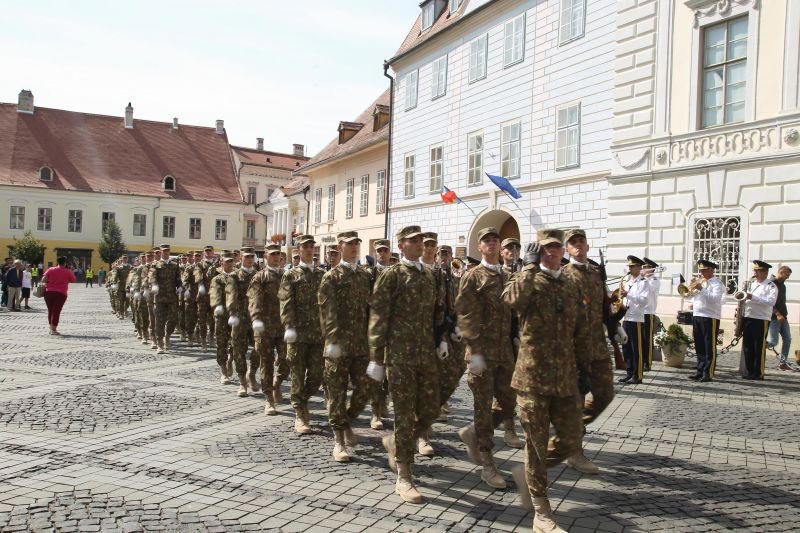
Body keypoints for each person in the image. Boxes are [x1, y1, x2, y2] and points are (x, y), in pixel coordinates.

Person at [502, 229, 588, 533]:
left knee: (572, 435)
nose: (552, 253)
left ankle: (526, 474)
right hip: (533, 377)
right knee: (536, 444)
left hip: (564, 376)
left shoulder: (569, 281)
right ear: (538, 251)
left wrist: (585, 365)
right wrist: (525, 267)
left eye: (555, 248)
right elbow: (511, 300)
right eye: (546, 248)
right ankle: (541, 509)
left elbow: (579, 324)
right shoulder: (529, 279)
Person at [369, 225, 442, 504]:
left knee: (430, 409)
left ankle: (395, 442)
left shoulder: (428, 275)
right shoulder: (392, 275)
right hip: (399, 356)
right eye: (413, 241)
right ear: (401, 245)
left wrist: (441, 340)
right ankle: (404, 475)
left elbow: (435, 312)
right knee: (404, 412)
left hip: (425, 353)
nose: (419, 244)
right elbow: (378, 316)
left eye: (421, 240)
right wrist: (377, 357)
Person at [455, 227, 517, 489]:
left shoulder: (507, 275)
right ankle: (487, 463)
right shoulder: (472, 276)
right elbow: (465, 315)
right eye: (486, 241)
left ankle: (472, 432)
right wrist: (474, 352)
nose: (491, 244)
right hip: (482, 354)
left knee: (510, 402)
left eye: (495, 240)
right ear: (479, 247)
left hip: (504, 352)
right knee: (482, 407)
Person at [547, 228, 610, 473]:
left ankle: (565, 433)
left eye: (581, 241)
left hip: (598, 344)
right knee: (577, 399)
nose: (578, 245)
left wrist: (613, 324)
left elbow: (603, 303)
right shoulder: (563, 275)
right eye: (573, 243)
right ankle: (574, 451)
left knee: (604, 394)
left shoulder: (596, 272)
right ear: (566, 249)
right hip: (574, 348)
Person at [318, 231, 374, 462]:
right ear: (340, 247)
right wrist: (331, 340)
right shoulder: (332, 277)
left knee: (366, 388)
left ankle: (346, 421)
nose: (354, 248)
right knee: (337, 392)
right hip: (339, 346)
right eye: (350, 244)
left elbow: (372, 309)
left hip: (361, 344)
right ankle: (339, 440)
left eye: (356, 244)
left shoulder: (364, 275)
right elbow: (326, 310)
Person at [279, 234, 325, 434]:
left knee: (316, 375)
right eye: (305, 247)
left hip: (317, 334)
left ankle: (301, 401)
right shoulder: (290, 275)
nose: (309, 249)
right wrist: (288, 326)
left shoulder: (322, 274)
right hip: (297, 334)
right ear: (298, 250)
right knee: (297, 375)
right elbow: (285, 302)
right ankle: (300, 414)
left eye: (311, 247)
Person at [249, 244, 289, 415]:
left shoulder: (287, 276)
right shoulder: (260, 277)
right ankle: (269, 399)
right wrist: (256, 318)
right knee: (266, 363)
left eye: (278, 254)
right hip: (264, 327)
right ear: (266, 256)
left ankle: (277, 383)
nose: (275, 257)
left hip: (283, 326)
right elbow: (254, 298)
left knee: (287, 360)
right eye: (272, 254)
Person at [689, 260, 727, 382]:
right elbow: (693, 297)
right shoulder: (702, 282)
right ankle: (699, 371)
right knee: (699, 345)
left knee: (708, 346)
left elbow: (715, 299)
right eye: (701, 270)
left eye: (704, 270)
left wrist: (701, 289)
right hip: (697, 315)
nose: (701, 272)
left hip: (710, 317)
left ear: (711, 270)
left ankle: (708, 372)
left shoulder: (717, 284)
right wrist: (692, 290)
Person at [741, 260, 779, 380]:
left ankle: (758, 372)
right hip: (748, 316)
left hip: (761, 319)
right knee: (747, 346)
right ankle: (749, 371)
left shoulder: (771, 286)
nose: (755, 273)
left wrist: (752, 297)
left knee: (758, 346)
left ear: (765, 272)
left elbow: (770, 302)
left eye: (758, 271)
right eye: (755, 271)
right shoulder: (752, 284)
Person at [620, 255, 648, 384]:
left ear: (638, 267)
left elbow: (644, 301)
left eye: (632, 267)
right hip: (626, 316)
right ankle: (629, 372)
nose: (630, 269)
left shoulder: (643, 282)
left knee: (636, 348)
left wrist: (628, 295)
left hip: (636, 318)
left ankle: (638, 375)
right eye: (629, 267)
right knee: (626, 347)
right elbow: (625, 298)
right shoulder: (628, 282)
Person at [210, 253, 237, 383]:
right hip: (221, 315)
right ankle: (223, 372)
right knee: (221, 342)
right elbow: (214, 293)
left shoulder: (237, 276)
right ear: (221, 262)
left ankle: (230, 360)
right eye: (227, 261)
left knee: (235, 341)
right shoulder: (217, 279)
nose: (230, 264)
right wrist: (217, 306)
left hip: (235, 314)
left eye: (231, 261)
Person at [767, 266, 793, 371]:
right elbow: (769, 302)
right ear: (781, 272)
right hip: (774, 317)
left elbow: (782, 302)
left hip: (783, 317)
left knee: (787, 339)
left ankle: (783, 363)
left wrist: (783, 315)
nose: (788, 277)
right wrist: (777, 314)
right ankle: (755, 347)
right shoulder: (771, 283)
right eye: (787, 275)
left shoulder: (783, 285)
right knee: (773, 342)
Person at [42, 257, 77, 335]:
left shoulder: (51, 269)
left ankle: (51, 327)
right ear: (65, 263)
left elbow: (43, 280)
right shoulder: (67, 271)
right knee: (56, 311)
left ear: (57, 262)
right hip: (61, 293)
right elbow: (73, 280)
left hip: (49, 292)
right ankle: (53, 330)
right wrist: (72, 272)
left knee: (50, 310)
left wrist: (50, 282)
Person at [641, 257, 660, 372]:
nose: (644, 269)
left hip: (648, 312)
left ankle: (647, 362)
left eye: (646, 267)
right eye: (644, 267)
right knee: (639, 339)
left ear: (651, 269)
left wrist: (643, 278)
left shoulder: (655, 281)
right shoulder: (641, 279)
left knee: (647, 339)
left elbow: (649, 290)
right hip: (638, 312)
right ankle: (639, 360)